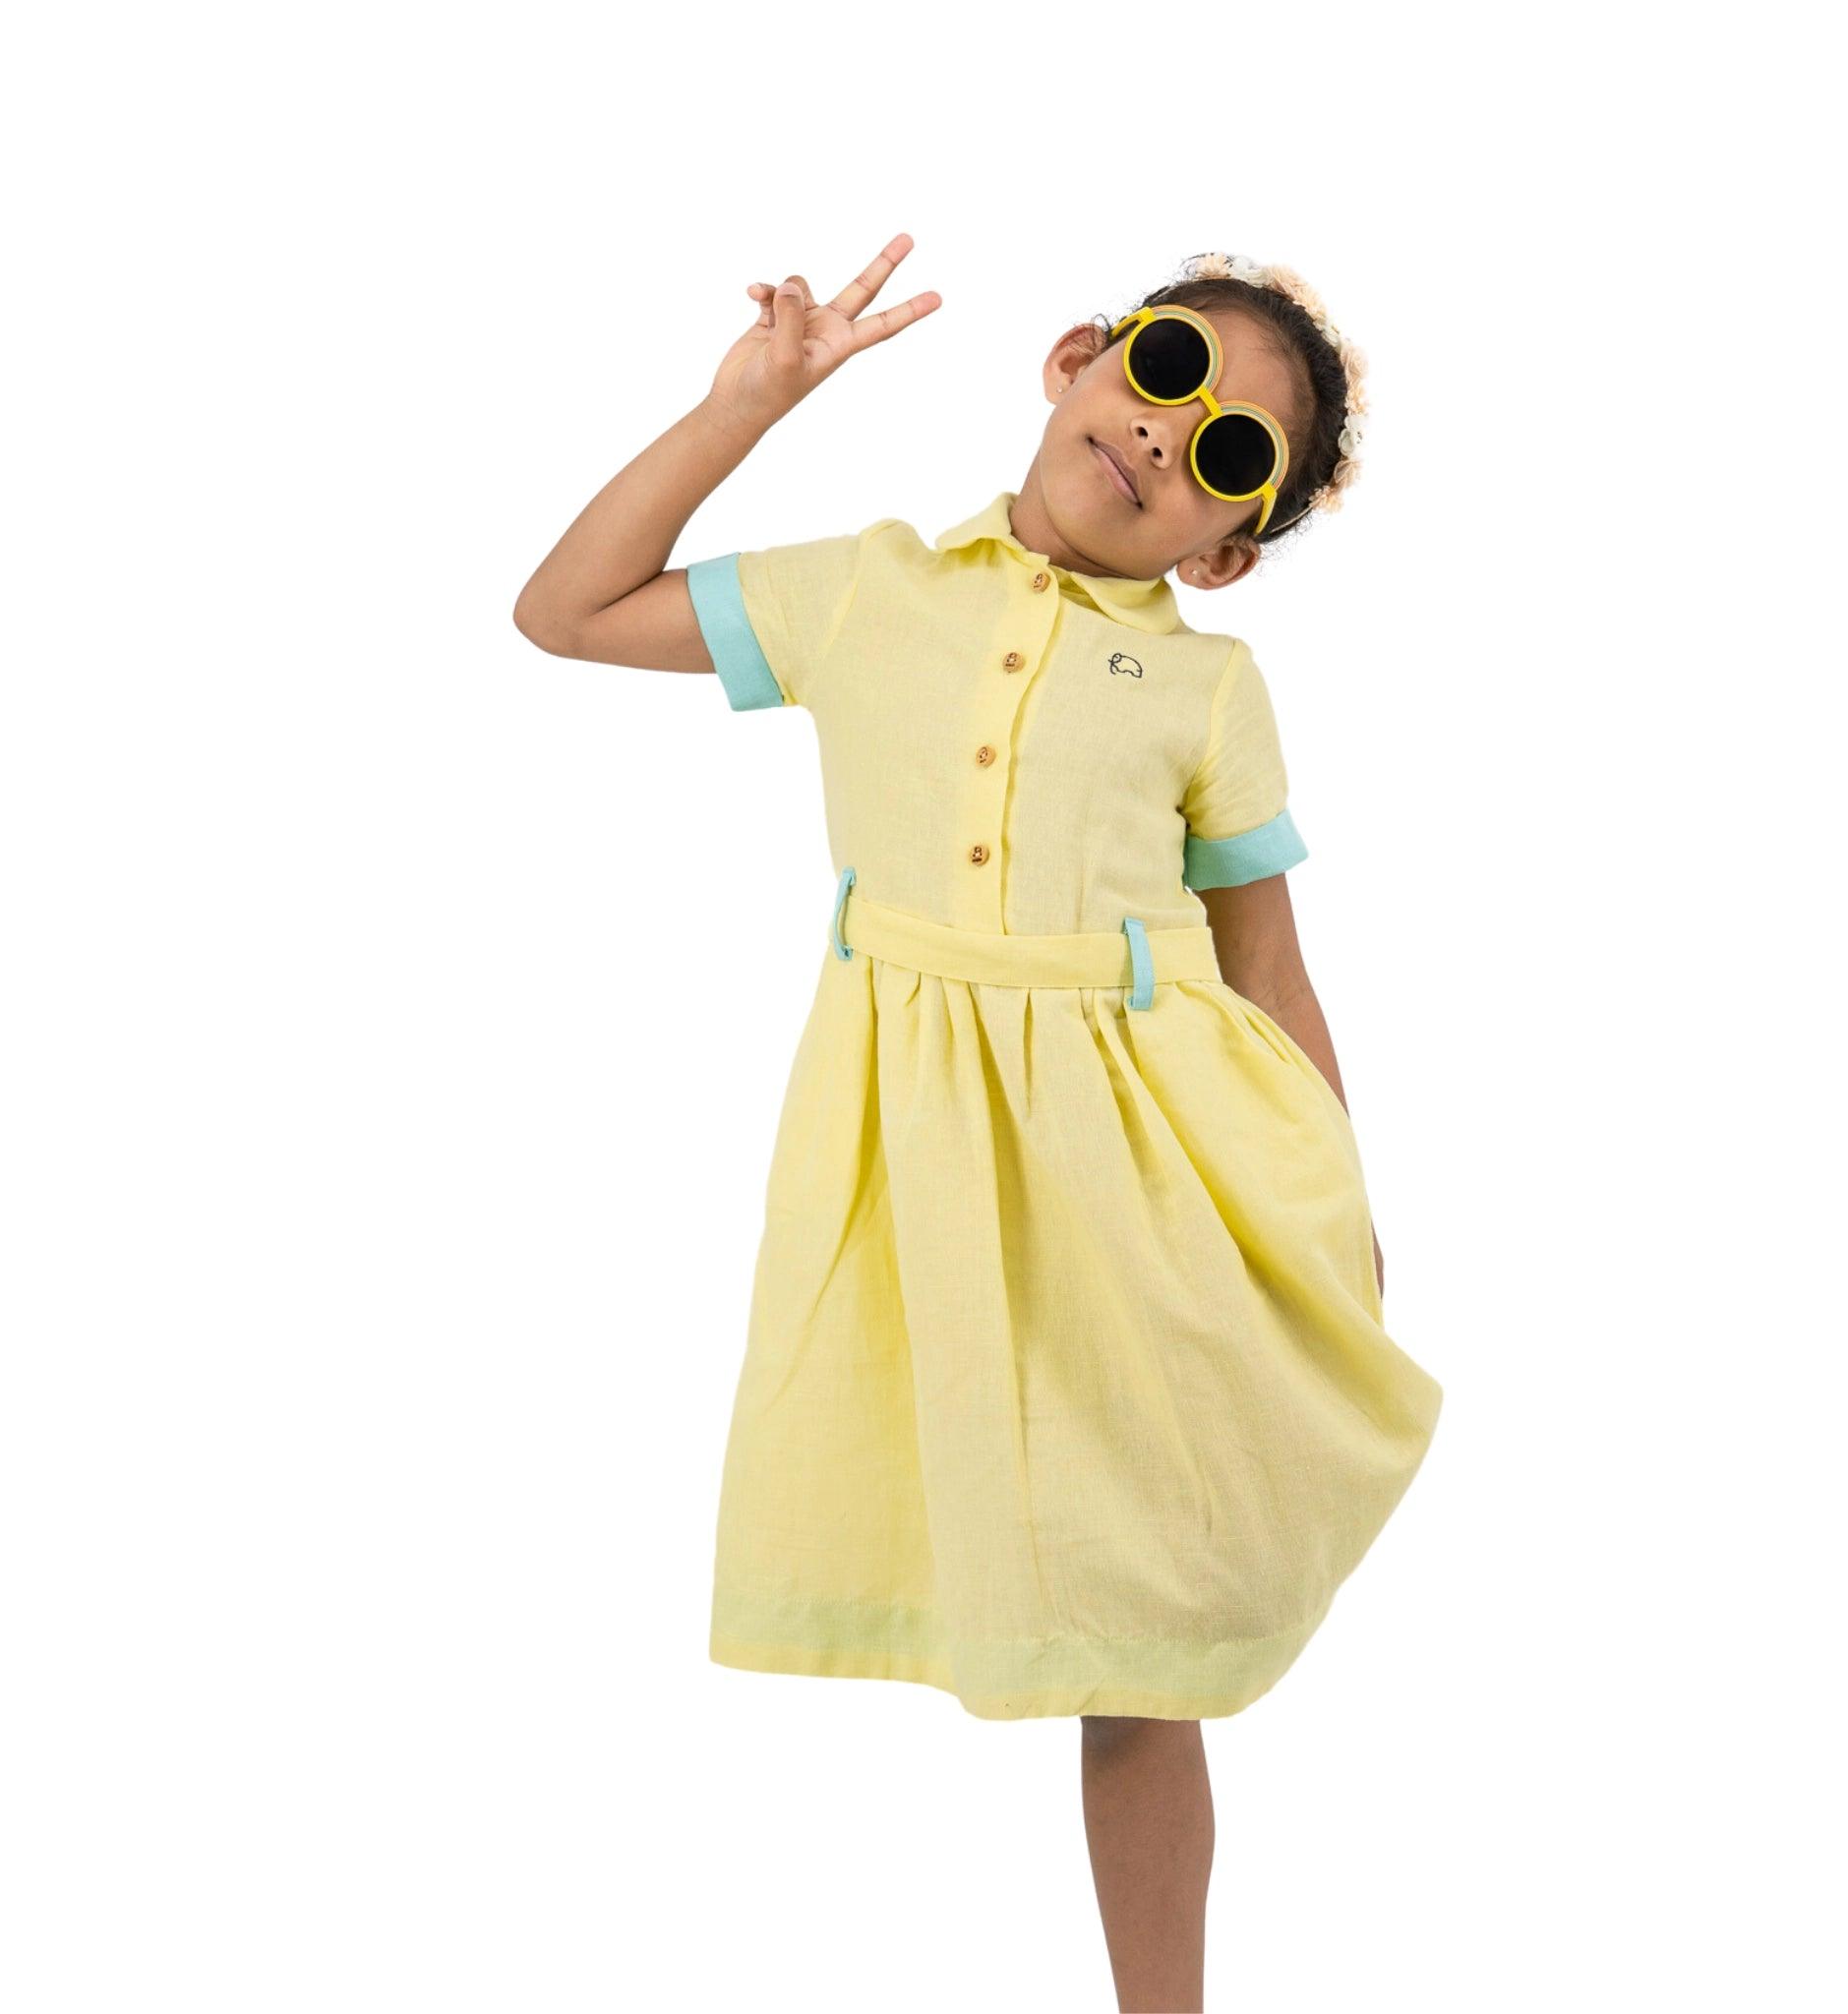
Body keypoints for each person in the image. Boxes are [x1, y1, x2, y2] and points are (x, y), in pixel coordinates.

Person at [513, 235, 1444, 2012]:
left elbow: (1270, 968)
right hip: (927, 1149)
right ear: (1081, 354)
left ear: (1227, 550)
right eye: (1167, 376)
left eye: (1228, 458)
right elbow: (564, 612)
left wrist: (1345, 1219)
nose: (1170, 441)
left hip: (1156, 1171)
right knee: (935, 1526)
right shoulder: (867, 592)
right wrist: (746, 411)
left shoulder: (1207, 691)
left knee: (1143, 1639)